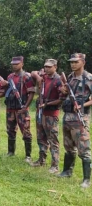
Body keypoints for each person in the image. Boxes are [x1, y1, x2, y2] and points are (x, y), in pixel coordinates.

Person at [59, 53, 92, 188]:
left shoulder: (89, 78)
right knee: (68, 146)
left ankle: (86, 180)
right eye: (71, 62)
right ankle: (67, 171)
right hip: (68, 116)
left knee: (84, 148)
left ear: (83, 62)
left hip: (80, 118)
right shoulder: (70, 77)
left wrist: (81, 105)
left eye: (76, 62)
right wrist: (64, 90)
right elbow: (66, 93)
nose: (73, 64)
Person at [30, 59, 65, 173]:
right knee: (41, 138)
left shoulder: (58, 80)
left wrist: (47, 104)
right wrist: (38, 77)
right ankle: (41, 160)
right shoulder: (43, 77)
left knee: (53, 140)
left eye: (49, 67)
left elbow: (61, 99)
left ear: (55, 67)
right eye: (45, 66)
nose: (47, 69)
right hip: (41, 113)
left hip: (51, 114)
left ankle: (55, 165)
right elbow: (32, 72)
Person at [5, 56, 35, 163]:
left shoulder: (26, 77)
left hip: (21, 109)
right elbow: (7, 90)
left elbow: (31, 93)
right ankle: (11, 152)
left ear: (22, 64)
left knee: (26, 132)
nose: (14, 65)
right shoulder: (10, 76)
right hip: (10, 109)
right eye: (13, 64)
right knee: (10, 130)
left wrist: (25, 106)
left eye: (16, 64)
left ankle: (28, 155)